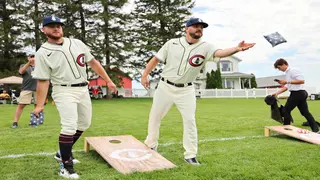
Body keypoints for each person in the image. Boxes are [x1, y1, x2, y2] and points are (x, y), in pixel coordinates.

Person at [141, 17, 255, 165]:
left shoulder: (206, 47)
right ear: (186, 29)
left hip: (186, 90)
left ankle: (190, 155)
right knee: (155, 116)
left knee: (189, 121)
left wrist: (236, 48)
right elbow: (155, 59)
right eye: (195, 26)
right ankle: (151, 145)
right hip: (165, 87)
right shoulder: (172, 43)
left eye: (201, 27)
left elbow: (220, 53)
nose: (199, 28)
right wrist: (144, 75)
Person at [32, 15, 117, 179]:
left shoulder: (76, 43)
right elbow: (43, 80)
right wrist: (39, 104)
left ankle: (60, 153)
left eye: (58, 25)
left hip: (83, 89)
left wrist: (109, 81)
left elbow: (93, 63)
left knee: (84, 123)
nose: (56, 28)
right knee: (69, 126)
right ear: (44, 30)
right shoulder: (42, 53)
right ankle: (66, 167)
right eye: (51, 26)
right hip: (63, 91)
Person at [272, 58, 319, 132]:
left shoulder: (293, 70)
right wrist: (277, 93)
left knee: (286, 111)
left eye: (279, 67)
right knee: (305, 112)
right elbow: (287, 86)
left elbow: (301, 81)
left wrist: (287, 81)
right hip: (299, 94)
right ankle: (316, 129)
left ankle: (286, 129)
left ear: (284, 64)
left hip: (297, 93)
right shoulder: (287, 73)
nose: (279, 69)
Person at [10, 55, 37, 128]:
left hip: (38, 89)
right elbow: (21, 71)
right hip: (26, 88)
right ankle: (15, 123)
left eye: (34, 56)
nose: (32, 58)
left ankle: (34, 122)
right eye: (31, 57)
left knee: (37, 105)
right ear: (28, 58)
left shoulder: (40, 65)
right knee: (21, 105)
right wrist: (29, 63)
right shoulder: (23, 65)